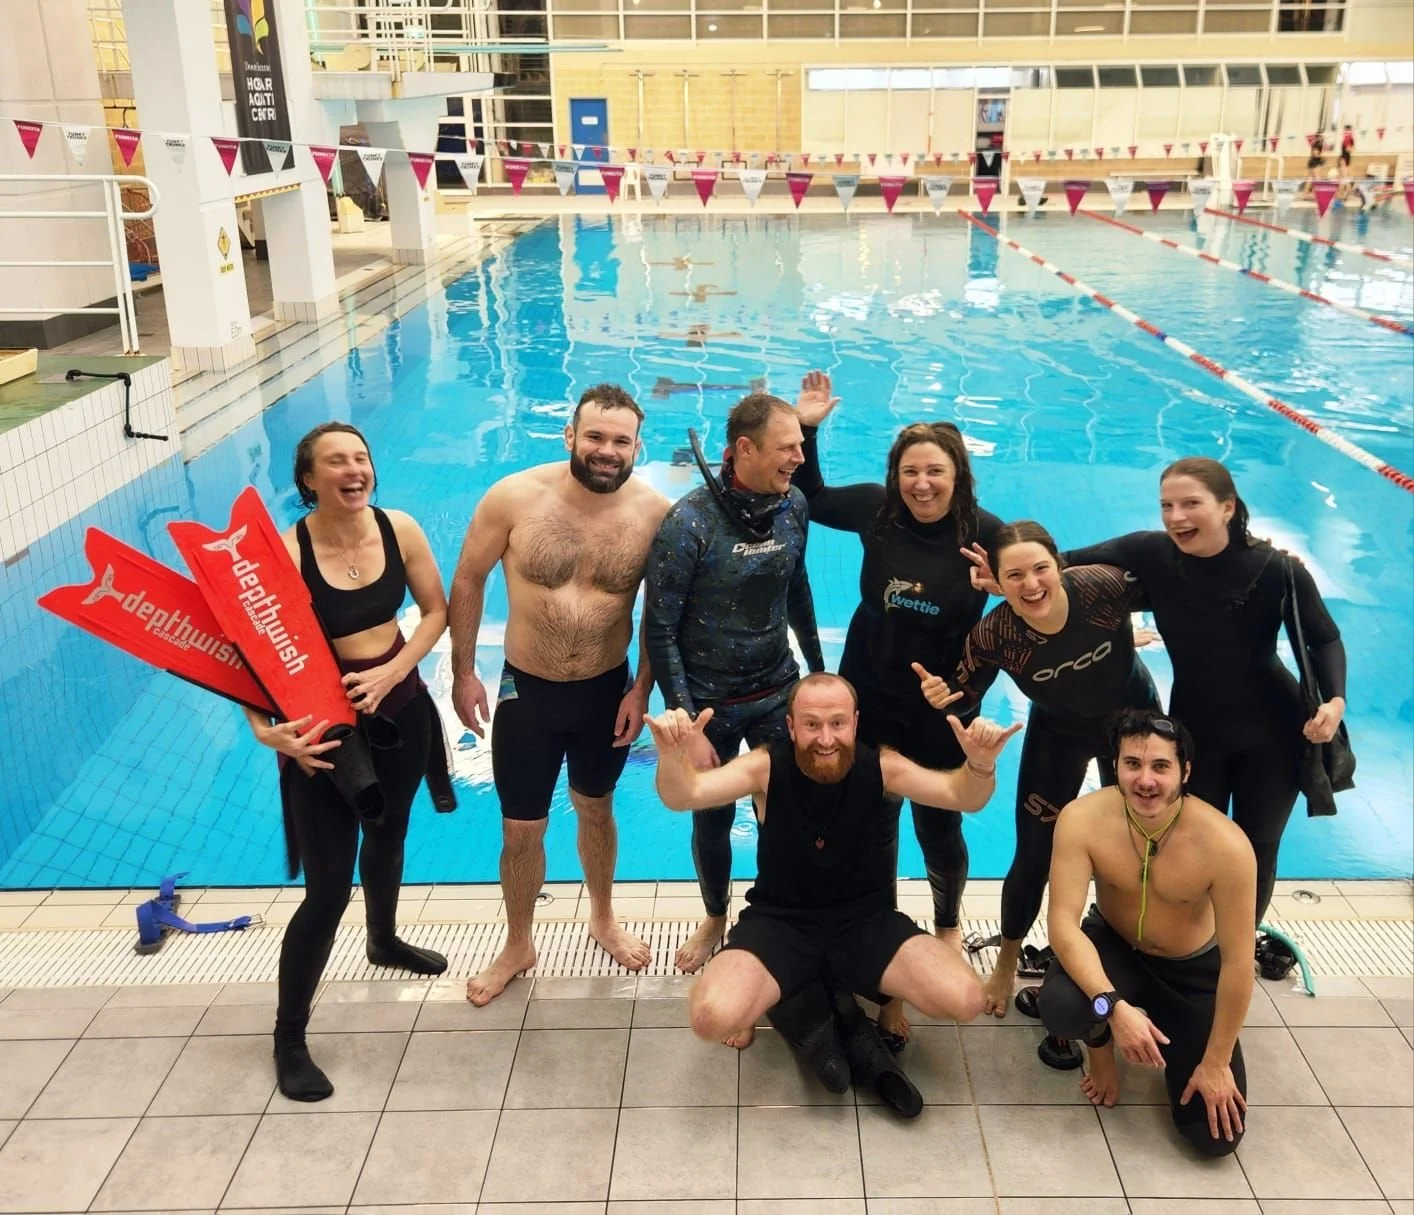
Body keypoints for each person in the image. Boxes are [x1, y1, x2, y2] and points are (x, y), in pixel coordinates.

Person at [645, 673, 1022, 1049]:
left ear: (855, 723)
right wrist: (672, 756)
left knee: (967, 998)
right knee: (710, 1019)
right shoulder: (765, 768)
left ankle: (863, 993)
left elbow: (962, 796)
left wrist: (980, 765)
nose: (826, 739)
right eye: (811, 725)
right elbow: (686, 795)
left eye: (837, 723)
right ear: (791, 727)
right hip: (781, 922)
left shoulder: (882, 767)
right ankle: (775, 989)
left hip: (865, 922)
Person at [245, 421, 453, 1102]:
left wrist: (395, 669)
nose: (354, 468)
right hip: (325, 732)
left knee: (390, 833)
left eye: (361, 456)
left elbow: (434, 612)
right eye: (336, 461)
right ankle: (288, 1035)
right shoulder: (286, 552)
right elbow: (244, 654)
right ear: (308, 480)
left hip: (402, 708)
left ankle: (384, 938)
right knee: (328, 888)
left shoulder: (400, 528)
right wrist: (265, 730)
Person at [791, 375, 1002, 1044]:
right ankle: (884, 957)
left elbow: (1029, 609)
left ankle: (945, 925)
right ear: (896, 474)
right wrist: (808, 428)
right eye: (911, 470)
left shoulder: (986, 534)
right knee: (871, 827)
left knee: (940, 831)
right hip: (869, 696)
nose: (921, 483)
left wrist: (969, 691)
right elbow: (810, 494)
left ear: (956, 474)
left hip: (938, 707)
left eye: (934, 470)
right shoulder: (875, 510)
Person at [449, 384, 671, 1005]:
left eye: (619, 441)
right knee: (521, 830)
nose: (606, 450)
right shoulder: (515, 498)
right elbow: (468, 578)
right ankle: (518, 942)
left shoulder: (653, 513)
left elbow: (660, 610)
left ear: (636, 447)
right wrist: (464, 672)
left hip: (606, 690)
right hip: (527, 692)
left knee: (597, 809)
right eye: (595, 436)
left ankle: (602, 917)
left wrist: (642, 690)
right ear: (570, 435)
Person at [1054, 457, 1346, 926]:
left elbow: (1324, 637)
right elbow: (1061, 563)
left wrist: (1334, 701)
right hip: (1196, 731)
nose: (1175, 517)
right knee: (1183, 840)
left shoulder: (1277, 571)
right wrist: (1006, 571)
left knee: (1256, 847)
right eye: (1166, 505)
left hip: (1273, 733)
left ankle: (1233, 949)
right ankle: (1186, 943)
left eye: (1191, 504)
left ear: (1227, 507)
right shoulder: (1151, 554)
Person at [917, 521, 1161, 1039]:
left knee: (1149, 845)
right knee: (1033, 854)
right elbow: (966, 692)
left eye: (1040, 569)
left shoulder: (1103, 586)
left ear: (1060, 565)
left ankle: (1149, 952)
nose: (1031, 586)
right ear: (998, 584)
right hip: (1060, 737)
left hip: (1135, 726)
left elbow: (1179, 586)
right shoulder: (996, 635)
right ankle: (1007, 962)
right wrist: (947, 698)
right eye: (1015, 576)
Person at [644, 390, 826, 972]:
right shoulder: (689, 522)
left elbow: (797, 590)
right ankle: (716, 917)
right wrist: (684, 716)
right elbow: (660, 627)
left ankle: (781, 912)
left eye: (800, 445)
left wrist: (818, 676)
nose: (800, 457)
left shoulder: (793, 505)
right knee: (713, 818)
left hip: (778, 689)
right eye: (788, 446)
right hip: (711, 706)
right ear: (745, 449)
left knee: (792, 813)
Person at [1039, 709, 1256, 1157]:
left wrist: (1215, 1062)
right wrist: (1113, 1009)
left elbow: (1238, 964)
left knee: (1214, 1139)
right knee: (1062, 1006)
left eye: (1161, 766)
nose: (1145, 780)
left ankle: (1179, 1039)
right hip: (1115, 950)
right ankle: (1100, 1044)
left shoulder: (1226, 846)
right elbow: (1062, 925)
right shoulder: (1082, 819)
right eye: (1132, 764)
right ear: (1114, 765)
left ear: (1185, 770)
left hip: (1191, 974)